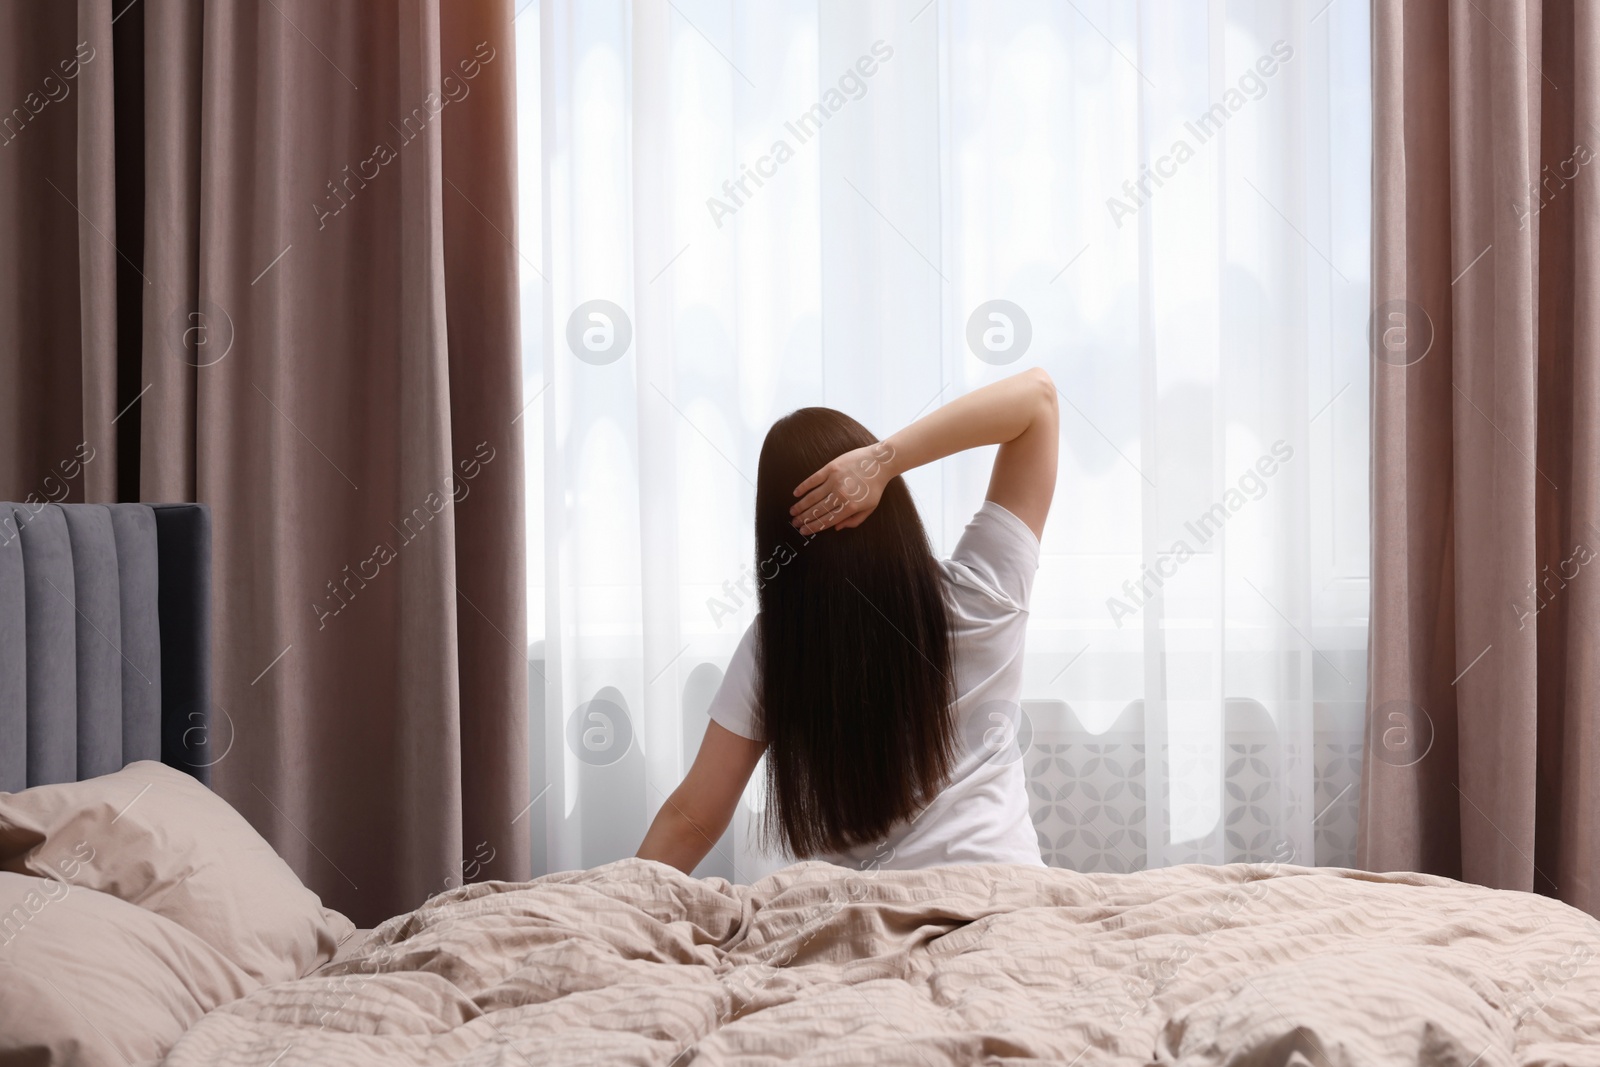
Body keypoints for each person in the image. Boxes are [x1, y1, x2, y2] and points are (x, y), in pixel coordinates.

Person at [636, 367, 1058, 873]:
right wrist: (883, 461)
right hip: (1004, 899)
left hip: (859, 925)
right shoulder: (982, 591)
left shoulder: (776, 648)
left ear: (775, 535)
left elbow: (693, 819)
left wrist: (610, 912)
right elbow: (1038, 400)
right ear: (892, 504)